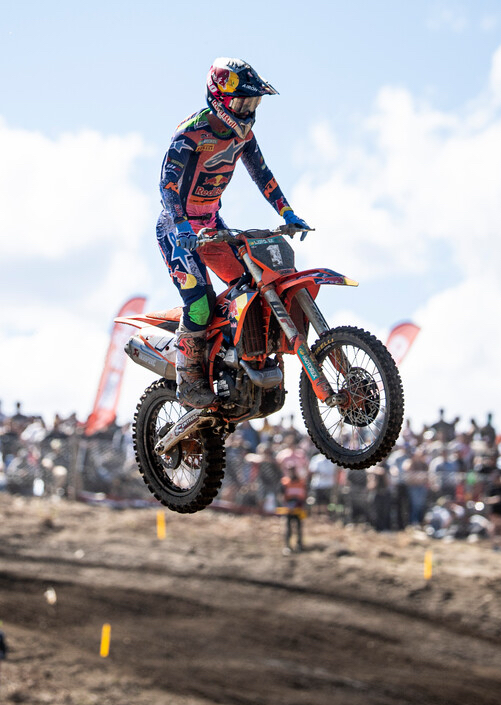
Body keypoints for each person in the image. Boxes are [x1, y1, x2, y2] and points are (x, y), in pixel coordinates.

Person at [158, 58, 310, 407]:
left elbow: (262, 174)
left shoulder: (245, 137)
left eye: (253, 103)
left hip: (212, 225)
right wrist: (181, 224)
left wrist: (287, 212)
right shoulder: (190, 133)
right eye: (242, 102)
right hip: (177, 228)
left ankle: (239, 358)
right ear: (219, 98)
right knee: (199, 303)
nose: (248, 110)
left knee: (254, 286)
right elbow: (167, 185)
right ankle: (189, 379)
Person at [280, 464, 307, 553]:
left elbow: (305, 494)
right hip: (288, 508)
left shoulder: (301, 482)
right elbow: (281, 495)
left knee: (299, 526)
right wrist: (285, 504)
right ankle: (288, 546)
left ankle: (299, 545)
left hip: (299, 507)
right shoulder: (285, 482)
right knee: (288, 527)